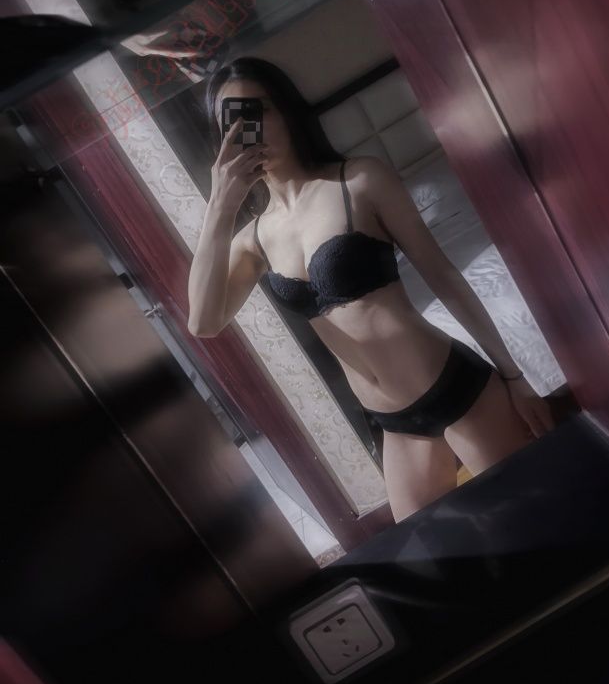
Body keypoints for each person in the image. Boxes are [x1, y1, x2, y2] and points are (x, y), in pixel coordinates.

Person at [188, 57, 555, 523]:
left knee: (540, 521)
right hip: (395, 425)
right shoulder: (253, 239)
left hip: (455, 389)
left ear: (287, 111)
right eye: (233, 121)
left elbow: (443, 276)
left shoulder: (358, 180)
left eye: (258, 110)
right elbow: (203, 322)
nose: (248, 129)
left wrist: (514, 377)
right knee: (436, 555)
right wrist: (220, 206)